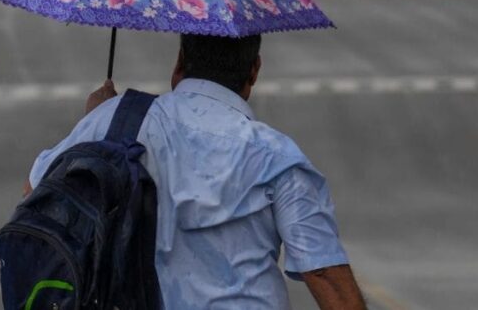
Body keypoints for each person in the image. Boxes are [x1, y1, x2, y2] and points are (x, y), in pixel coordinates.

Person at [28, 33, 367, 309]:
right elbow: (323, 273)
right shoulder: (276, 155)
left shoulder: (115, 121)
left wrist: (92, 122)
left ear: (179, 63)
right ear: (254, 71)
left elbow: (36, 201)